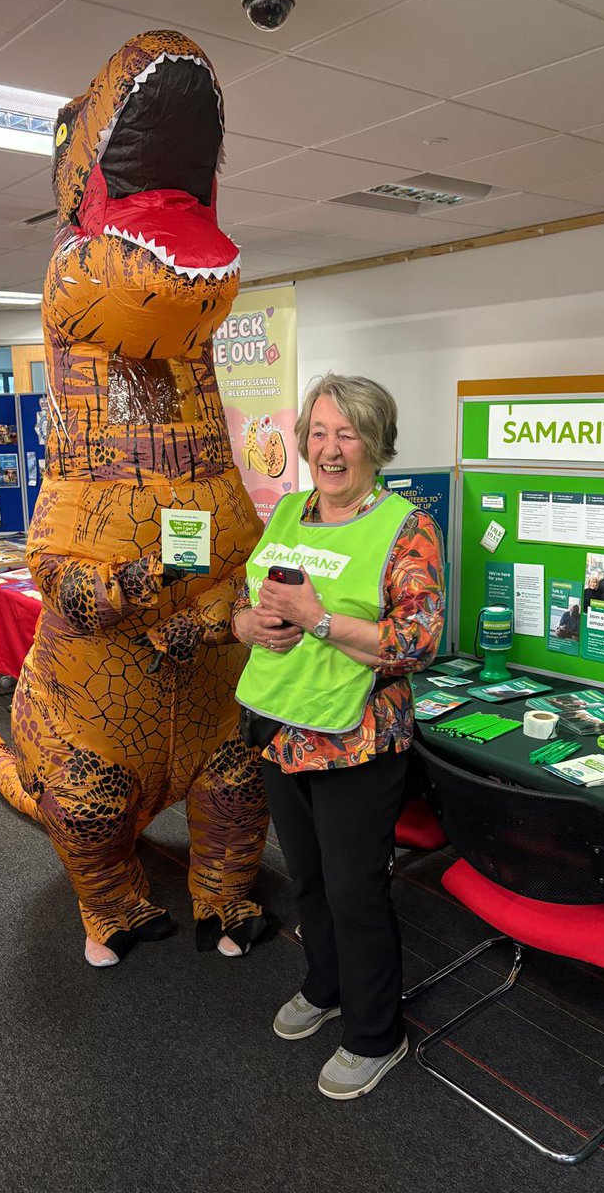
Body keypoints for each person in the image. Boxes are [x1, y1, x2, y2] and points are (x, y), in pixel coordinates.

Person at [232, 373, 444, 1100]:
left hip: (355, 742)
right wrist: (249, 624)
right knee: (310, 881)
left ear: (375, 444)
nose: (330, 448)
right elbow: (244, 603)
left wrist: (322, 620)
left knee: (356, 891)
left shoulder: (406, 526)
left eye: (347, 433)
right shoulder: (288, 510)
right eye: (319, 432)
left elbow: (417, 642)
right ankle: (324, 987)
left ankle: (375, 1034)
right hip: (281, 729)